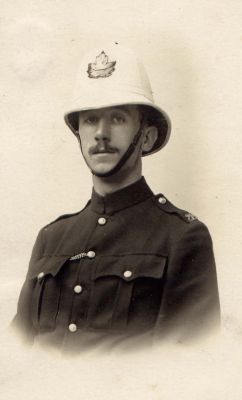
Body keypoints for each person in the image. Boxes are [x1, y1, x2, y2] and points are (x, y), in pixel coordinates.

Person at [12, 43, 220, 352]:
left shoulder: (182, 237)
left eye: (118, 118)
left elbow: (185, 369)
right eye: (91, 119)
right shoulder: (51, 238)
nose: (101, 133)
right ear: (79, 134)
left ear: (146, 136)